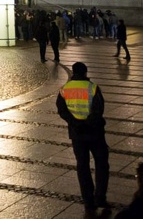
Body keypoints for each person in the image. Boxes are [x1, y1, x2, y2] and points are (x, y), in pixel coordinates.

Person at [57, 61, 110, 218]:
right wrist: (88, 123)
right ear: (85, 72)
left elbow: (62, 110)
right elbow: (98, 109)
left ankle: (88, 200)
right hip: (95, 133)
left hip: (77, 135)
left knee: (83, 166)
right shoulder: (93, 88)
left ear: (73, 72)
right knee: (101, 164)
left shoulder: (64, 89)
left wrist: (75, 123)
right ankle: (100, 197)